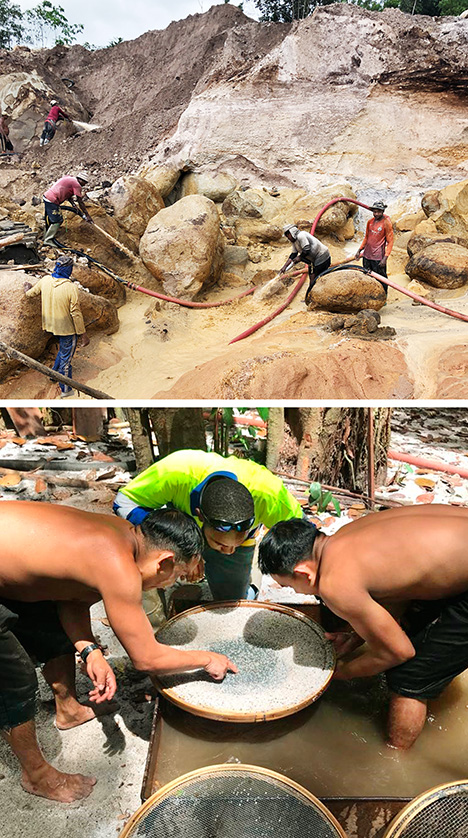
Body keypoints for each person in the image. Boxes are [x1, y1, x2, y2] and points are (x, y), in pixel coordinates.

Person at [0, 502, 235, 803]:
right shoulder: (117, 563)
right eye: (176, 576)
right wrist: (207, 658)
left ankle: (69, 710)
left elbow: (70, 596)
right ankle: (36, 776)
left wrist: (90, 652)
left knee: (47, 620)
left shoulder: (123, 533)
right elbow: (147, 657)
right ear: (164, 561)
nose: (169, 584)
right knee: (15, 679)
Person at [258, 506, 468, 751]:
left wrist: (339, 672)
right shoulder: (344, 536)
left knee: (409, 676)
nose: (295, 592)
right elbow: (398, 586)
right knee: (410, 630)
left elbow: (400, 652)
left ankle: (397, 761)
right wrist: (357, 635)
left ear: (303, 573)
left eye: (290, 586)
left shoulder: (333, 584)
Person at [114, 449, 303, 602]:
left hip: (234, 534)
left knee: (231, 600)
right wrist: (181, 546)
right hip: (181, 529)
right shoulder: (177, 471)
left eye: (234, 545)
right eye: (222, 545)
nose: (228, 551)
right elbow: (123, 501)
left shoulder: (268, 493)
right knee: (146, 572)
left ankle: (250, 571)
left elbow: (303, 536)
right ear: (200, 516)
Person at [24, 254, 90, 398]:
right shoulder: (70, 287)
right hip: (67, 328)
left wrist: (26, 288)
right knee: (66, 360)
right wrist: (83, 334)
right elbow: (76, 313)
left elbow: (30, 293)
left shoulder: (45, 280)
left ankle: (54, 374)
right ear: (69, 270)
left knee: (63, 350)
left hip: (50, 325)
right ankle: (66, 389)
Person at [280, 224, 331, 304]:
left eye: (288, 235)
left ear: (291, 232)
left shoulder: (301, 235)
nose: (288, 238)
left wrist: (299, 258)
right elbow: (293, 255)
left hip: (322, 257)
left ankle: (322, 298)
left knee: (319, 278)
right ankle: (310, 298)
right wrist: (284, 267)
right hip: (313, 261)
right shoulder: (295, 242)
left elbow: (306, 249)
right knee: (312, 277)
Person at [354, 200, 394, 295]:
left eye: (378, 212)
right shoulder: (370, 222)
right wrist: (359, 250)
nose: (376, 214)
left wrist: (385, 258)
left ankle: (383, 296)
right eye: (374, 212)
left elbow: (390, 241)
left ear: (383, 212)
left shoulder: (386, 223)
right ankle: (370, 295)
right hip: (367, 255)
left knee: (381, 278)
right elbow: (366, 237)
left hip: (378, 257)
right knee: (367, 276)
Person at [42, 171, 92, 245]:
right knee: (57, 220)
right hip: (52, 200)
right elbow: (80, 201)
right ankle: (48, 240)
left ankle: (45, 235)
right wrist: (87, 215)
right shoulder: (77, 185)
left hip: (47, 196)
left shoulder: (69, 178)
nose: (84, 185)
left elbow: (68, 194)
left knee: (49, 218)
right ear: (81, 180)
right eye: (85, 183)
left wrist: (73, 205)